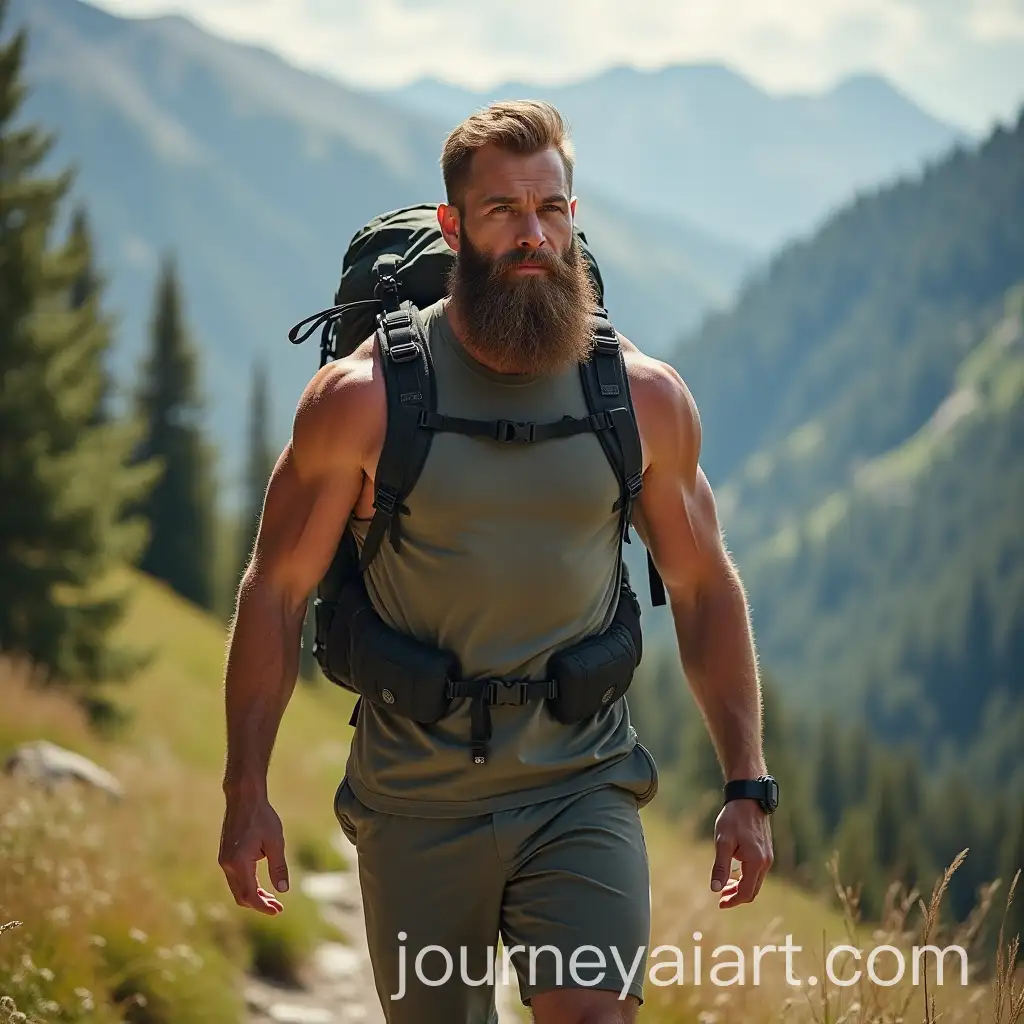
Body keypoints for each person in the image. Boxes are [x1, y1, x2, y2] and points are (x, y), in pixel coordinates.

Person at [218, 100, 774, 1024]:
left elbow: (703, 584)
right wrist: (246, 792)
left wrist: (747, 784)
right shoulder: (361, 401)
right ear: (453, 226)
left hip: (582, 785)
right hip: (416, 801)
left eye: (551, 209)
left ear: (573, 217)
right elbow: (274, 591)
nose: (532, 236)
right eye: (503, 211)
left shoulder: (640, 399)